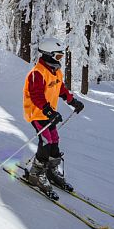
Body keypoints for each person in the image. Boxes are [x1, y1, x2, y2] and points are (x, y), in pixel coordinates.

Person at [23, 37, 84, 199]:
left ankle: (50, 170)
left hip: (49, 113)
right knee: (47, 140)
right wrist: (49, 112)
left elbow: (61, 89)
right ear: (48, 55)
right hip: (36, 112)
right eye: (58, 57)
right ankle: (35, 174)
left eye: (61, 57)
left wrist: (73, 101)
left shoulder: (55, 71)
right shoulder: (37, 73)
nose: (60, 60)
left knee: (55, 140)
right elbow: (36, 96)